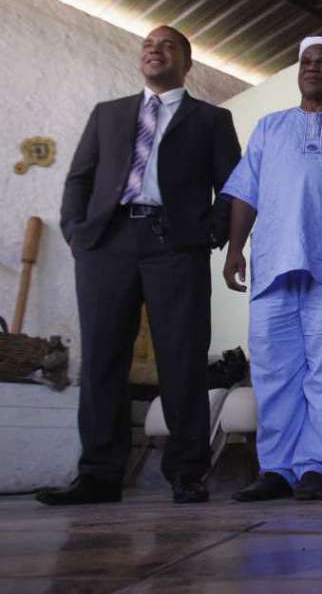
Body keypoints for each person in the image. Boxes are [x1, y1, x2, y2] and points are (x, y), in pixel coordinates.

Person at [42, 25, 240, 506]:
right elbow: (79, 178)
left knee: (184, 359)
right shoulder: (107, 115)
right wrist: (75, 230)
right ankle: (99, 475)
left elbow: (234, 185)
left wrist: (212, 233)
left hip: (175, 245)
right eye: (148, 45)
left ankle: (187, 474)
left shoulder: (211, 119)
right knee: (103, 359)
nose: (154, 50)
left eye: (167, 44)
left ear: (187, 62)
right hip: (107, 245)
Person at [222, 37, 322, 501]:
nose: (313, 68)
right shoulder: (269, 128)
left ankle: (317, 468)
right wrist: (235, 249)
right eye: (306, 62)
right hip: (273, 262)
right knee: (273, 370)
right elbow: (245, 194)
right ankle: (276, 470)